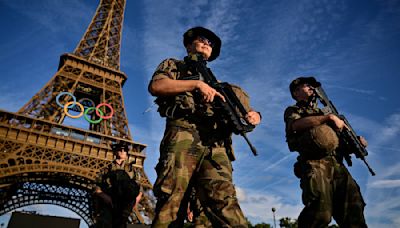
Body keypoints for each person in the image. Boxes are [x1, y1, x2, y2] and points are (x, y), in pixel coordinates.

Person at [148, 26, 261, 227]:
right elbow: (157, 86)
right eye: (202, 40)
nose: (207, 44)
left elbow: (244, 112)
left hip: (216, 143)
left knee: (225, 203)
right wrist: (195, 85)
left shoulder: (218, 84)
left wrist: (254, 115)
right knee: (172, 201)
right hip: (184, 134)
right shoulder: (174, 65)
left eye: (211, 43)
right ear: (189, 44)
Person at [284, 77, 368, 228]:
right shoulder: (294, 110)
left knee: (354, 212)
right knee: (320, 213)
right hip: (315, 163)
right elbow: (295, 125)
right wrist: (327, 118)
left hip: (337, 165)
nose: (311, 87)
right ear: (296, 93)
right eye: (306, 85)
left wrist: (357, 143)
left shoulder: (327, 111)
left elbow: (339, 143)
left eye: (312, 86)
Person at [93, 142, 143, 228]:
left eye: (125, 150)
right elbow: (96, 186)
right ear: (115, 152)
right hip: (109, 203)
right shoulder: (106, 170)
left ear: (127, 153)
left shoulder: (133, 170)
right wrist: (105, 197)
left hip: (125, 204)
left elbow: (139, 188)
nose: (122, 151)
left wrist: (135, 200)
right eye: (120, 149)